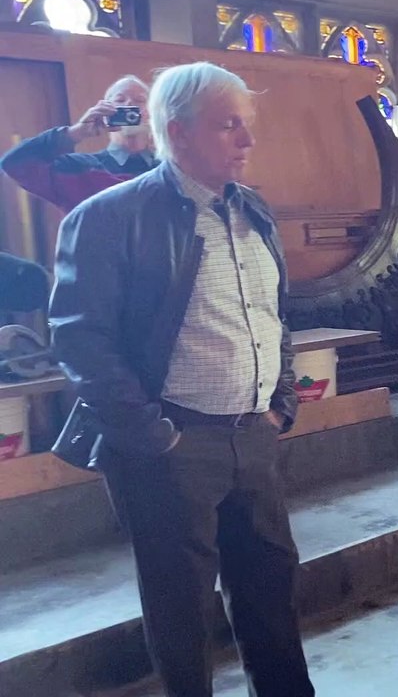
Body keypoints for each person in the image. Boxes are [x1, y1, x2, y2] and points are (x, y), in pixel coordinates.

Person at [47, 62, 314, 696]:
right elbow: (80, 336)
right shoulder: (110, 216)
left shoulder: (254, 210)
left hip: (252, 435)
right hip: (171, 444)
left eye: (245, 125)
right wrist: (151, 433)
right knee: (182, 614)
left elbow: (274, 311)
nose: (247, 141)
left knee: (271, 596)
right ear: (179, 132)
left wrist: (279, 403)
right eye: (229, 126)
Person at [1, 75, 156, 213]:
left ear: (152, 113)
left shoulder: (169, 169)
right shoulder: (78, 168)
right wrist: (76, 132)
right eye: (120, 100)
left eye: (140, 100)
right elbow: (14, 164)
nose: (129, 104)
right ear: (104, 110)